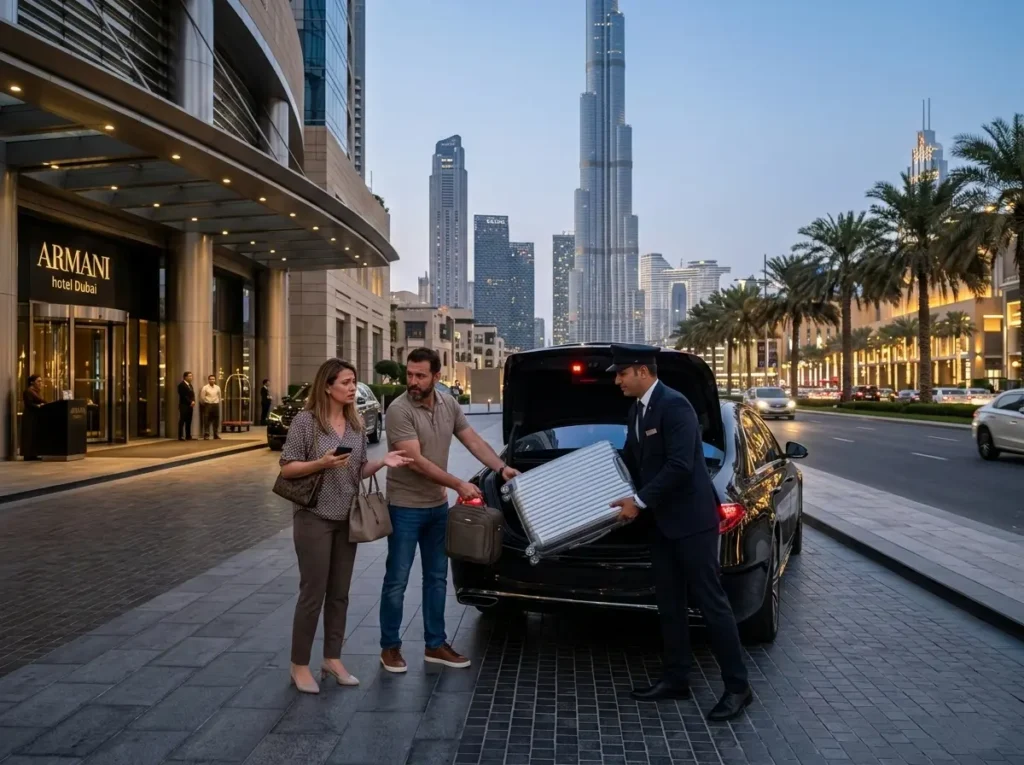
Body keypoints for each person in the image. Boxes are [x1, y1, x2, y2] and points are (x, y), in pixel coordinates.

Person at [607, 343, 752, 722]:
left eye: (621, 373)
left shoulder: (675, 405)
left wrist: (637, 500)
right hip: (661, 525)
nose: (617, 380)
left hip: (691, 524)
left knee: (711, 604)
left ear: (641, 371)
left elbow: (680, 465)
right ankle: (676, 679)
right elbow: (630, 459)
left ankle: (738, 688)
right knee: (669, 604)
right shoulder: (637, 410)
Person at [379, 347, 519, 673]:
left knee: (437, 578)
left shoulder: (448, 404)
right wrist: (459, 484)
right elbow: (416, 462)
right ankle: (389, 648)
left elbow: (473, 441)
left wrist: (501, 468)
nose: (412, 381)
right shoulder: (399, 410)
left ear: (436, 377)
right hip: (404, 507)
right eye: (409, 374)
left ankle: (435, 645)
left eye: (420, 375)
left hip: (437, 507)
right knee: (397, 580)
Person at [279, 358, 412, 694]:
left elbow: (358, 469)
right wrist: (320, 463)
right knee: (313, 594)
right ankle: (299, 665)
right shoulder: (306, 423)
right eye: (346, 382)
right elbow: (286, 468)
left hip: (346, 518)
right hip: (313, 518)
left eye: (354, 381)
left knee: (339, 595)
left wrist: (383, 462)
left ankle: (332, 658)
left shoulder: (355, 424)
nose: (353, 388)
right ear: (327, 386)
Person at [21, 374, 46, 460]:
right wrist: (39, 406)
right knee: (29, 435)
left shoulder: (37, 392)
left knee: (34, 435)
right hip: (29, 417)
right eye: (38, 381)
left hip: (35, 417)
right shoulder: (28, 391)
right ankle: (28, 455)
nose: (40, 383)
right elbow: (29, 404)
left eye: (41, 381)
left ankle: (34, 454)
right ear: (32, 382)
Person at [199, 374, 222, 440]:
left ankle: (215, 434)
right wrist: (205, 403)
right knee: (207, 420)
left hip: (215, 404)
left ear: (215, 380)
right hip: (208, 404)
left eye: (213, 379)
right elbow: (202, 397)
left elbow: (219, 396)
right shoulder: (205, 387)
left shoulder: (217, 387)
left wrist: (218, 402)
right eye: (211, 379)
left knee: (216, 420)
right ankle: (206, 434)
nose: (212, 380)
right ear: (208, 380)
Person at [177, 372, 195, 441]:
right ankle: (180, 436)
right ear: (185, 377)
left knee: (189, 421)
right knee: (182, 420)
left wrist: (193, 401)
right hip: (184, 405)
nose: (191, 377)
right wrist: (190, 402)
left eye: (191, 376)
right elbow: (184, 396)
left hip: (190, 405)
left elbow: (192, 394)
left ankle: (188, 435)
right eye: (189, 376)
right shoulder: (181, 385)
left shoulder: (190, 385)